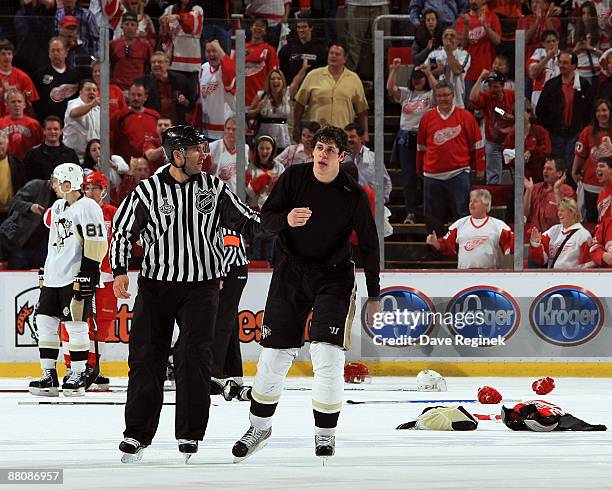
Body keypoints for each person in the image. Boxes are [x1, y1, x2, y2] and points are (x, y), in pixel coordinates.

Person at [110, 125, 279, 463]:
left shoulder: (215, 189)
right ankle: (137, 434)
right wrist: (119, 270)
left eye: (203, 149)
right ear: (176, 154)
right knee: (145, 358)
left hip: (202, 287)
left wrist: (283, 221)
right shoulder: (148, 191)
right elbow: (123, 229)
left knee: (194, 358)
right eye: (196, 150)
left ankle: (189, 434)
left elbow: (248, 221)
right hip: (156, 285)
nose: (204, 155)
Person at [232, 125, 380, 462]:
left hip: (334, 276)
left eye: (331, 150)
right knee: (272, 358)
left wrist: (374, 293)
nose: (323, 155)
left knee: (328, 357)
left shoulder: (353, 194)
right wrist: (286, 219)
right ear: (311, 151)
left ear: (342, 157)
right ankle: (259, 427)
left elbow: (370, 245)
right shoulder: (293, 178)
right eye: (320, 148)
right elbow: (263, 221)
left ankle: (325, 435)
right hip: (290, 273)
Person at [28, 163, 108, 397]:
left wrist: (90, 271)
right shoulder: (58, 205)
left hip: (74, 275)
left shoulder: (88, 207)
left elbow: (97, 240)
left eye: (56, 181)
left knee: (75, 324)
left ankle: (78, 372)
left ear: (67, 183)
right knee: (44, 322)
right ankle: (49, 375)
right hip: (53, 277)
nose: (53, 185)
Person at [60, 172, 118, 388]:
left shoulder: (113, 212)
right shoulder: (72, 210)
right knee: (74, 319)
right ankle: (71, 366)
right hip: (78, 273)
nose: (91, 192)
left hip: (106, 275)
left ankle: (93, 366)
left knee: (102, 322)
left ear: (104, 190)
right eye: (87, 188)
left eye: (96, 187)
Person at [417, 81, 484, 237]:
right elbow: (420, 148)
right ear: (435, 97)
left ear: (453, 95)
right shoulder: (427, 118)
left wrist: (480, 168)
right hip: (432, 175)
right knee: (432, 217)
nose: (443, 99)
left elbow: (478, 145)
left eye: (446, 95)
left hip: (459, 173)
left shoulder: (466, 116)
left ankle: (462, 249)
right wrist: (419, 169)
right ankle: (435, 249)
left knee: (462, 214)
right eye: (440, 96)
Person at [536, 51, 595, 185]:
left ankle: (570, 198)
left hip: (576, 135)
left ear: (574, 65)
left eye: (565, 63)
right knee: (555, 168)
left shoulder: (585, 86)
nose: (561, 65)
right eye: (560, 62)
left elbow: (591, 111)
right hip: (555, 135)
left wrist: (582, 131)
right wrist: (549, 131)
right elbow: (540, 110)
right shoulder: (551, 85)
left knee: (571, 169)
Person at [388, 62, 436, 224]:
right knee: (408, 178)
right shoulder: (406, 93)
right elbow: (390, 88)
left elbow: (439, 90)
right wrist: (394, 70)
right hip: (406, 139)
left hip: (424, 139)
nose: (417, 81)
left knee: (425, 176)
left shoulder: (430, 94)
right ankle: (411, 212)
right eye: (415, 78)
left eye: (420, 78)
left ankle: (427, 210)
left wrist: (429, 73)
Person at [293, 43, 369, 143]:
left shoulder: (354, 79)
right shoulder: (313, 75)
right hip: (316, 134)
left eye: (337, 54)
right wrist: (296, 126)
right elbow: (299, 103)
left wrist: (365, 133)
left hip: (342, 134)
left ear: (345, 59)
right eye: (331, 53)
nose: (333, 56)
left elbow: (362, 110)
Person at [426, 189, 514, 269]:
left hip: (489, 275)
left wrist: (521, 227)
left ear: (486, 204)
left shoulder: (498, 226)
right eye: (470, 201)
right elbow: (446, 245)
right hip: (464, 275)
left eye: (475, 201)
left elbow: (514, 246)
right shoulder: (459, 224)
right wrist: (435, 242)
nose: (471, 204)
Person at [469, 70, 515, 185]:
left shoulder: (511, 95)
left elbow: (525, 114)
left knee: (517, 174)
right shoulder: (487, 96)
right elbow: (473, 98)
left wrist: (509, 117)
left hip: (512, 141)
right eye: (490, 86)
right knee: (493, 178)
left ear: (502, 86)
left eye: (495, 86)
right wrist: (480, 77)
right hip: (493, 142)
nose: (492, 89)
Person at [0, 174, 55, 269]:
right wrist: (30, 207)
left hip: (41, 245)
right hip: (21, 242)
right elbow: (14, 202)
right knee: (16, 277)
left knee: (40, 277)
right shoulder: (37, 185)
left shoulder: (63, 197)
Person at [456, 0, 502, 108]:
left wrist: (485, 26)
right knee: (470, 106)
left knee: (491, 106)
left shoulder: (492, 17)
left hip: (488, 71)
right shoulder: (462, 20)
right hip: (469, 72)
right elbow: (462, 45)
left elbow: (497, 41)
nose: (474, 1)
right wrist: (466, 25)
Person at [572, 99, 612, 223]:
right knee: (590, 220)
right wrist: (574, 172)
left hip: (610, 186)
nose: (601, 113)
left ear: (610, 112)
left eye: (604, 110)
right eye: (598, 110)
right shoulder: (587, 131)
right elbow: (580, 155)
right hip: (590, 185)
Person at [246, 135, 284, 262]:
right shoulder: (250, 167)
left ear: (272, 150)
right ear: (256, 150)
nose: (264, 151)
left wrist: (274, 184)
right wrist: (265, 178)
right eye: (261, 148)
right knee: (256, 241)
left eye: (267, 148)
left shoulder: (279, 167)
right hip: (255, 209)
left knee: (270, 242)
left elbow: (284, 191)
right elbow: (250, 192)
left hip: (272, 211)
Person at [248, 68, 303, 152]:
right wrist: (258, 110)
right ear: (268, 82)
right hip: (264, 135)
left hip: (282, 136)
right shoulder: (261, 95)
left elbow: (297, 80)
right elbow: (248, 114)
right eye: (272, 79)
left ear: (283, 81)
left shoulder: (287, 94)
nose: (275, 81)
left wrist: (303, 68)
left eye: (278, 78)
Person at [529, 198, 593, 269]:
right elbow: (540, 260)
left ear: (572, 212)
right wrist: (535, 243)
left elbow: (587, 266)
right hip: (551, 277)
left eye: (562, 211)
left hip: (571, 278)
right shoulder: (553, 230)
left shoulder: (584, 235)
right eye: (558, 210)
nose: (559, 213)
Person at [137, 51, 193, 125]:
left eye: (159, 62)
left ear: (167, 64)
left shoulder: (181, 80)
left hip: (177, 124)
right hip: (153, 123)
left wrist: (185, 102)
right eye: (153, 62)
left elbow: (191, 103)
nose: (156, 64)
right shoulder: (142, 83)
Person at [158, 0, 204, 91]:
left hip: (191, 65)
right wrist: (163, 24)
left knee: (189, 99)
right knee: (175, 97)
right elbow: (163, 35)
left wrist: (178, 17)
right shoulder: (170, 9)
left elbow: (192, 28)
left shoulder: (197, 9)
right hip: (173, 63)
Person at [32, 37, 80, 123]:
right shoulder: (39, 75)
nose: (55, 53)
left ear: (65, 53)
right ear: (49, 53)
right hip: (46, 124)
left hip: (69, 124)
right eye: (52, 50)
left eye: (58, 50)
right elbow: (35, 102)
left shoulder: (75, 76)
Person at [524, 157, 576, 235]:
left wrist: (556, 190)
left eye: (549, 169)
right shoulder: (535, 188)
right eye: (544, 168)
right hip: (536, 236)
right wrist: (528, 191)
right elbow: (524, 214)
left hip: (557, 236)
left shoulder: (567, 191)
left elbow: (568, 217)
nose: (545, 171)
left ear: (559, 173)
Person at [196, 39, 236, 141]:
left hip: (225, 131)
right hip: (206, 130)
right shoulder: (204, 68)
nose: (211, 54)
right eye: (208, 51)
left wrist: (221, 51)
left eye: (215, 51)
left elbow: (229, 76)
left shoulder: (226, 68)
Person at [110, 82, 160, 163]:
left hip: (151, 166)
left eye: (139, 95)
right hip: (127, 166)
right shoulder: (119, 116)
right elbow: (111, 141)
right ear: (128, 95)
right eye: (133, 95)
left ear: (145, 97)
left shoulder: (155, 115)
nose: (135, 98)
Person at [344, 123, 392, 204]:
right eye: (346, 137)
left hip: (369, 205)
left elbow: (386, 182)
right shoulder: (339, 159)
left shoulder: (374, 158)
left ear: (361, 138)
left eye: (352, 136)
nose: (348, 140)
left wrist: (381, 202)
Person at [23, 115, 80, 182]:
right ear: (44, 131)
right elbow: (25, 179)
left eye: (56, 129)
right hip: (39, 191)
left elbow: (77, 178)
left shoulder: (70, 154)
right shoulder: (32, 154)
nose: (53, 132)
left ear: (61, 131)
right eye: (49, 129)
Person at [425, 28, 471, 108]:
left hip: (456, 100)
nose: (449, 38)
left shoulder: (463, 54)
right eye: (446, 36)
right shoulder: (434, 54)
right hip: (436, 100)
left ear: (458, 40)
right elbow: (424, 73)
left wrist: (448, 51)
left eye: (452, 36)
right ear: (442, 39)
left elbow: (457, 71)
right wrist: (436, 72)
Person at [278, 17, 327, 89]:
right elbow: (281, 71)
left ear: (311, 28)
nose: (301, 30)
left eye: (304, 27)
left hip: (314, 90)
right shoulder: (287, 49)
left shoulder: (321, 50)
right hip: (292, 90)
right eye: (298, 27)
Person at [110, 12, 153, 91]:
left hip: (138, 87)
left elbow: (149, 66)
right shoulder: (113, 44)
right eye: (127, 24)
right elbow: (110, 65)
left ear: (137, 27)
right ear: (122, 26)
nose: (129, 27)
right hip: (117, 87)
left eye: (132, 25)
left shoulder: (145, 45)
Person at [244, 19, 280, 106]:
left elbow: (274, 74)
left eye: (262, 27)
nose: (258, 28)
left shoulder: (270, 50)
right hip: (241, 97)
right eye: (256, 25)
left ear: (265, 32)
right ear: (251, 28)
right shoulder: (241, 47)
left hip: (261, 98)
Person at [62, 79, 100, 162]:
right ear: (80, 92)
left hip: (90, 157)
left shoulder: (98, 110)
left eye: (94, 90)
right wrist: (92, 104)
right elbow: (74, 113)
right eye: (88, 89)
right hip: (72, 156)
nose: (92, 92)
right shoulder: (73, 103)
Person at [0, 38, 40, 117]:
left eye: (9, 54)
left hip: (20, 121)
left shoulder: (23, 77)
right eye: (3, 54)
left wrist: (26, 99)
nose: (7, 57)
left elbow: (31, 107)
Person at [0, 89, 43, 161]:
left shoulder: (34, 124)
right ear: (6, 104)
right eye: (13, 102)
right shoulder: (1, 123)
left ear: (24, 105)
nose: (16, 104)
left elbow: (41, 146)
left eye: (19, 101)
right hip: (6, 163)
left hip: (29, 163)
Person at [527, 29, 560, 109]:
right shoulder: (538, 54)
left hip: (557, 94)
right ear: (543, 44)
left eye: (554, 41)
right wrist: (548, 57)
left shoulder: (563, 56)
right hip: (539, 93)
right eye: (548, 42)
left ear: (558, 42)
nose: (552, 43)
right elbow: (533, 74)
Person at [0, 130, 26, 225]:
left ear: (6, 145)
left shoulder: (16, 163)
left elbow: (23, 187)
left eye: (1, 144)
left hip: (11, 213)